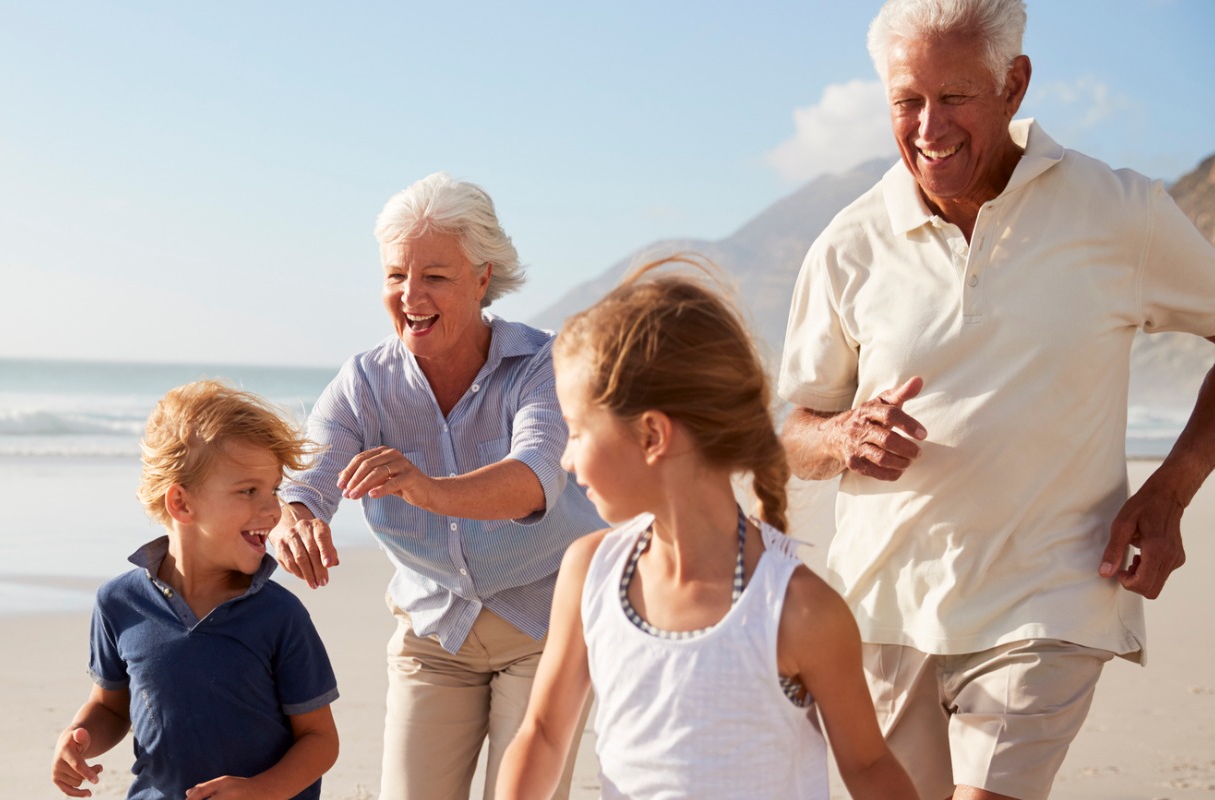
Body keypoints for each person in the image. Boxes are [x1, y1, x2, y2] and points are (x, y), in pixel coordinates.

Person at [778, 1, 1215, 797]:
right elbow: (792, 432)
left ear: (1014, 84)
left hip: (1050, 596)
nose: (928, 126)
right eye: (907, 100)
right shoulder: (847, 242)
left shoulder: (1119, 212)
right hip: (881, 607)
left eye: (955, 97)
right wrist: (843, 437)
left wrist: (1173, 488)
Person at [495, 262, 918, 800]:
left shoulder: (800, 612)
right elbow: (545, 734)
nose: (567, 458)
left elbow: (869, 767)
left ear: (652, 434)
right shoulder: (590, 571)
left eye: (577, 432)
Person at [270, 172, 604, 800]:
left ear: (483, 277)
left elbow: (536, 476)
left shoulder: (542, 365)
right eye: (396, 276)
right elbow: (307, 477)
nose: (410, 295)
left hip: (544, 625)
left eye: (435, 276)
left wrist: (426, 488)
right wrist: (296, 516)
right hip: (434, 632)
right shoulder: (364, 382)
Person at [51, 380, 340, 799]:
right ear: (181, 504)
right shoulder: (118, 604)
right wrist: (78, 739)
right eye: (248, 491)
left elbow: (319, 739)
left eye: (274, 489)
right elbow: (111, 706)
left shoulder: (280, 616)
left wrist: (261, 791)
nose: (273, 509)